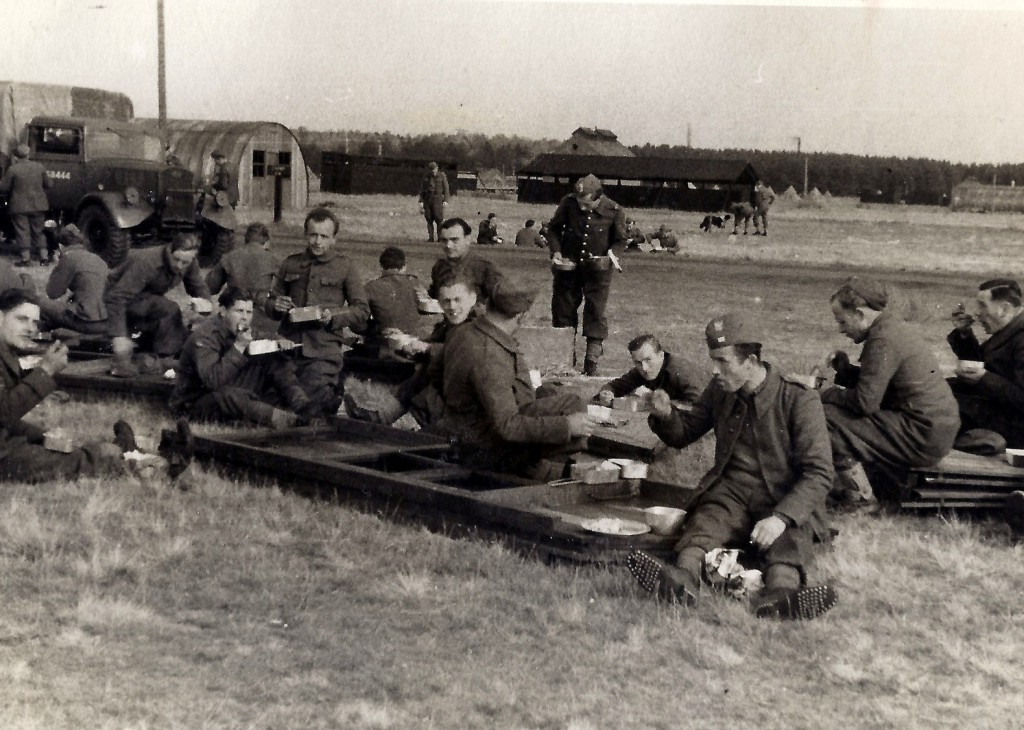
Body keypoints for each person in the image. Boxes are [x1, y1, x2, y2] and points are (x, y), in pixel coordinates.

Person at [627, 312, 838, 621]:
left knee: (789, 537)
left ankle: (781, 595)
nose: (714, 370)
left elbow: (819, 473)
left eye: (723, 361)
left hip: (781, 496)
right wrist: (665, 414)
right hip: (732, 492)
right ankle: (681, 581)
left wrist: (781, 517)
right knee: (705, 522)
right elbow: (685, 433)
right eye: (713, 360)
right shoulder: (720, 390)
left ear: (750, 360)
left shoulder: (798, 399)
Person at [0, 288, 186, 482]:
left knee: (62, 446)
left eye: (35, 322)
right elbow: (3, 413)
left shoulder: (6, 351)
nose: (31, 328)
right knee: (76, 463)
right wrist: (45, 371)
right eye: (21, 319)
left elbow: (6, 418)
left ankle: (126, 451)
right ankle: (145, 466)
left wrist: (41, 436)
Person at [818, 277, 959, 508]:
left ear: (860, 313)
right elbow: (881, 383)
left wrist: (824, 393)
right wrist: (844, 370)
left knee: (822, 416)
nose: (840, 329)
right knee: (832, 412)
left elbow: (865, 403)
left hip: (921, 435)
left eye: (842, 321)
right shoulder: (891, 328)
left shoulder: (883, 338)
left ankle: (861, 500)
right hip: (932, 429)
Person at [438, 278, 599, 478]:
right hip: (478, 449)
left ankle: (544, 469)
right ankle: (543, 472)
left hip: (463, 432)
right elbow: (508, 427)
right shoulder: (490, 356)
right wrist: (566, 426)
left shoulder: (464, 332)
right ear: (520, 316)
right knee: (572, 411)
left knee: (567, 400)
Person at [266, 207, 369, 419]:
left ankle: (333, 399)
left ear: (334, 240)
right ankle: (329, 400)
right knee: (270, 393)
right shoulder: (290, 263)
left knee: (306, 397)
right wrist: (276, 305)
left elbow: (362, 311)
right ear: (305, 235)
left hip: (323, 350)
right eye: (313, 235)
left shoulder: (345, 267)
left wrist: (333, 316)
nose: (318, 242)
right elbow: (271, 303)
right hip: (289, 348)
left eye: (324, 236)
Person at [170, 286, 298, 429]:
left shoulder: (239, 328)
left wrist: (280, 342)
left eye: (249, 312)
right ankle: (286, 421)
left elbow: (263, 336)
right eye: (239, 311)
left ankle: (303, 407)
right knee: (230, 395)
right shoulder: (205, 336)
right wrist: (239, 347)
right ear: (223, 311)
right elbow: (213, 381)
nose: (245, 317)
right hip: (194, 402)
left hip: (225, 391)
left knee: (274, 358)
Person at [545, 173, 627, 376]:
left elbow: (620, 240)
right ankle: (563, 359)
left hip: (598, 271)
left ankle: (592, 360)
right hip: (568, 268)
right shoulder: (568, 203)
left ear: (598, 198)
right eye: (579, 202)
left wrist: (610, 257)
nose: (582, 207)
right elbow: (553, 229)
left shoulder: (614, 210)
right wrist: (556, 252)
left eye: (587, 204)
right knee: (563, 310)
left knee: (595, 312)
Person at [104, 232, 212, 377]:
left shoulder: (189, 262)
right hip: (115, 297)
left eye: (185, 262)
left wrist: (205, 303)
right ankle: (164, 358)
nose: (179, 266)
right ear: (170, 251)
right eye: (176, 259)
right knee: (168, 309)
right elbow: (117, 297)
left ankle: (161, 352)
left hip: (143, 298)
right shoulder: (147, 262)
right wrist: (119, 335)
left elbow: (198, 286)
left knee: (166, 313)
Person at [946, 279, 1024, 447]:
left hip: (1014, 426)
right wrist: (964, 334)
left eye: (982, 305)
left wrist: (984, 378)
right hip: (994, 409)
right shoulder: (1010, 329)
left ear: (1004, 309)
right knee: (933, 391)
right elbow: (983, 362)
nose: (976, 313)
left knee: (936, 405)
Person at [205, 222, 279, 337]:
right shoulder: (273, 259)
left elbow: (210, 287)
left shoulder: (229, 257)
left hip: (232, 315)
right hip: (261, 318)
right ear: (267, 242)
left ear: (245, 240)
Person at [593, 334, 704, 407]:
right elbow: (615, 386)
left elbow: (700, 408)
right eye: (638, 362)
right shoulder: (641, 369)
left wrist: (653, 400)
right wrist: (607, 393)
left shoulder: (680, 373)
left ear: (661, 355)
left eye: (648, 360)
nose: (644, 368)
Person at [38, 224, 109, 335]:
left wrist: (58, 266)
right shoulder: (97, 258)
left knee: (40, 303)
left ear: (60, 246)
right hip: (109, 320)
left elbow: (53, 293)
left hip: (88, 322)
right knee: (63, 308)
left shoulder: (69, 258)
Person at [363, 246, 430, 356]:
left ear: (381, 266)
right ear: (404, 266)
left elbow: (357, 319)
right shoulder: (415, 284)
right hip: (415, 342)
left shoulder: (371, 287)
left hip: (384, 344)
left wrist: (373, 329)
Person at [427, 217, 502, 304]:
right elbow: (435, 296)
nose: (448, 245)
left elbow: (504, 301)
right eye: (444, 240)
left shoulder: (484, 267)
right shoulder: (440, 267)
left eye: (454, 240)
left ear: (467, 239)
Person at [0, 144, 52, 267]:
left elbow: (4, 188)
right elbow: (49, 184)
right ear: (28, 154)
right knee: (38, 231)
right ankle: (44, 258)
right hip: (38, 205)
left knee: (22, 231)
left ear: (16, 156)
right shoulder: (39, 167)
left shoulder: (13, 169)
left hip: (19, 206)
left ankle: (26, 259)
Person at [418, 161, 450, 242]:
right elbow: (422, 189)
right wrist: (421, 202)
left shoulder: (442, 175)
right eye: (431, 170)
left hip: (438, 199)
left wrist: (446, 200)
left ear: (437, 168)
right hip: (428, 199)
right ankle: (431, 237)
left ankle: (440, 237)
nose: (433, 171)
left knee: (439, 218)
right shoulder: (426, 176)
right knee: (429, 218)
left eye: (434, 169)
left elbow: (446, 189)